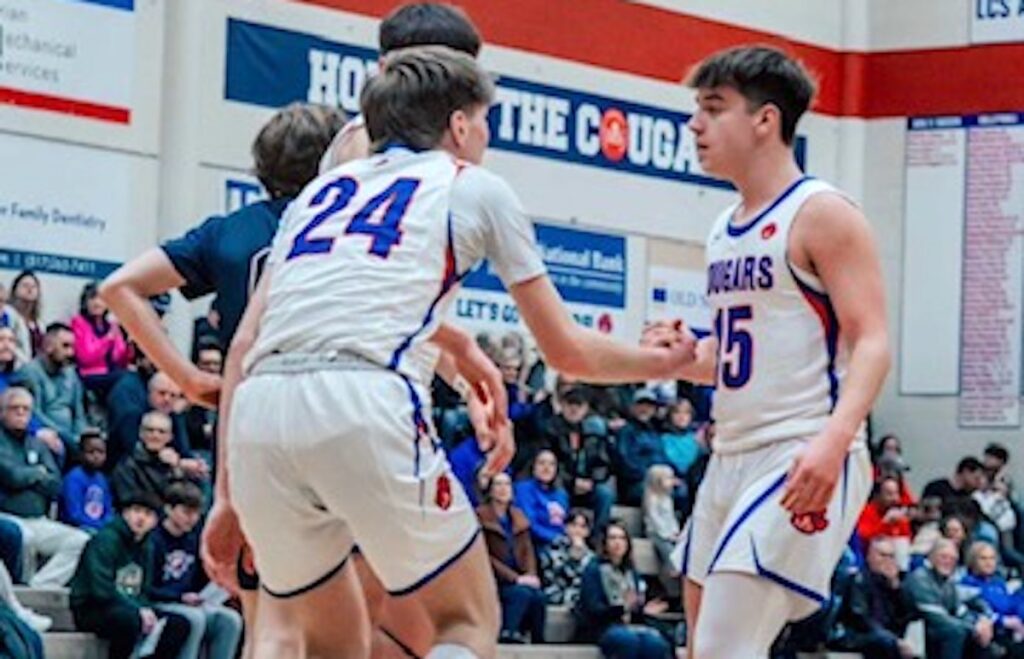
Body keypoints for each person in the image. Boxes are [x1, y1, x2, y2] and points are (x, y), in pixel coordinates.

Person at [209, 47, 695, 658]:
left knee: (328, 644)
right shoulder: (473, 187)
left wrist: (226, 491)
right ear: (460, 125)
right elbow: (567, 352)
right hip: (361, 397)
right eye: (484, 122)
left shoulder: (319, 194)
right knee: (465, 619)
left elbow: (264, 333)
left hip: (260, 411)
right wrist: (663, 363)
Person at [647, 45, 890, 659]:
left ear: (765, 120)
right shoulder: (723, 226)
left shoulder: (823, 213)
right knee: (705, 649)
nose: (694, 125)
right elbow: (735, 356)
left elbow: (873, 340)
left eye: (713, 108)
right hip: (730, 454)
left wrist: (833, 440)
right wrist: (685, 354)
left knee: (727, 646)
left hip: (800, 446)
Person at [70, 491, 191, 659]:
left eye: (148, 514)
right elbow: (101, 589)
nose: (141, 518)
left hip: (128, 605)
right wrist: (138, 609)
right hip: (92, 607)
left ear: (155, 521)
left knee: (179, 624)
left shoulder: (147, 546)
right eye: (136, 511)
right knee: (128, 621)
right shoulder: (106, 540)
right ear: (125, 513)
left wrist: (144, 608)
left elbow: (143, 589)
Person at [0, 387, 88, 587]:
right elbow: (11, 476)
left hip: (38, 518)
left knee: (79, 540)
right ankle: (18, 589)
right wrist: (38, 473)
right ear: (2, 411)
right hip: (6, 516)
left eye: (26, 409)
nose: (21, 413)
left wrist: (28, 476)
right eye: (15, 408)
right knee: (24, 537)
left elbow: (55, 485)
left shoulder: (37, 444)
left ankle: (39, 586)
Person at [148, 482, 242, 659]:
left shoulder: (194, 539)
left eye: (196, 513)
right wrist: (179, 597)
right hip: (163, 601)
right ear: (169, 509)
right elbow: (147, 587)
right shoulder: (153, 541)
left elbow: (200, 578)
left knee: (230, 620)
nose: (192, 519)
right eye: (187, 512)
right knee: (195, 619)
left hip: (190, 601)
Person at [576, 520, 672, 658]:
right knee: (627, 640)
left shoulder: (631, 572)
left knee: (655, 643)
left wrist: (643, 609)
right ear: (604, 542)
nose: (617, 542)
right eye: (612, 538)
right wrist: (622, 607)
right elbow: (593, 609)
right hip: (602, 626)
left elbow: (634, 608)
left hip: (629, 625)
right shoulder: (593, 569)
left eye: (622, 538)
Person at [476, 473, 546, 644]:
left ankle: (538, 639)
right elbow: (484, 556)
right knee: (520, 593)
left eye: (507, 484)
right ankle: (507, 632)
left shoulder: (519, 517)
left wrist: (530, 575)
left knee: (539, 596)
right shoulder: (480, 516)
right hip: (494, 579)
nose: (503, 489)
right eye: (498, 484)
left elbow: (528, 551)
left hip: (519, 576)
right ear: (490, 490)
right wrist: (515, 578)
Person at [904, 538, 996, 659]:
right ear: (931, 557)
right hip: (918, 631)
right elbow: (936, 617)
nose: (948, 562)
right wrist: (973, 628)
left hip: (941, 629)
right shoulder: (919, 578)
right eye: (943, 557)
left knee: (980, 633)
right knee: (955, 631)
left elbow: (960, 610)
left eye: (952, 559)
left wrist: (978, 623)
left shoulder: (947, 582)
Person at [827, 537, 917, 659]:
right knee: (885, 643)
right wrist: (893, 639)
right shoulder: (858, 579)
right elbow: (860, 617)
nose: (887, 560)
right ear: (869, 556)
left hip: (885, 634)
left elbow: (908, 616)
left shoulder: (896, 582)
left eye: (891, 556)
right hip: (853, 633)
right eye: (882, 555)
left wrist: (896, 588)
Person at [15, 322, 87, 460]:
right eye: (65, 346)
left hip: (72, 435)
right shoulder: (30, 373)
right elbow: (35, 413)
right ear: (48, 346)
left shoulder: (71, 373)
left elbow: (79, 412)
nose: (70, 353)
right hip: (47, 433)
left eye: (72, 347)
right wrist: (65, 435)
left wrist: (81, 436)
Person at [111, 411, 192, 506]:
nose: (155, 436)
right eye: (150, 430)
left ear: (170, 437)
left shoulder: (175, 465)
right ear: (141, 433)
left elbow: (185, 501)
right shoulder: (126, 466)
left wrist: (176, 469)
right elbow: (129, 500)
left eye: (162, 432)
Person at [960, 540, 1024, 656]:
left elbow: (1012, 604)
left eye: (992, 558)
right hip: (988, 633)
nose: (988, 563)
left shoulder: (998, 582)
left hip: (1010, 631)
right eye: (983, 558)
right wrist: (1003, 620)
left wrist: (1018, 618)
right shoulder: (967, 584)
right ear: (973, 561)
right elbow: (980, 610)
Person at [71, 281, 131, 402]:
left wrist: (129, 345)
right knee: (126, 379)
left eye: (101, 299)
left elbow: (120, 360)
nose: (97, 303)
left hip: (111, 373)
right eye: (92, 298)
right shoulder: (78, 323)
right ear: (85, 302)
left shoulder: (112, 325)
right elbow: (86, 357)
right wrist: (107, 340)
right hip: (89, 374)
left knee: (132, 379)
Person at [514, 449, 570, 552]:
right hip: (535, 545)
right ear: (533, 467)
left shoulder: (562, 494)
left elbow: (565, 523)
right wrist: (554, 538)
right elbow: (529, 523)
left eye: (551, 464)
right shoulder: (523, 489)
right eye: (542, 463)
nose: (546, 468)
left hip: (560, 543)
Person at [59, 430, 114, 533]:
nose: (96, 456)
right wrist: (98, 527)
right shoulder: (73, 478)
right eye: (91, 452)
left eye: (101, 452)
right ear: (81, 454)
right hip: (75, 529)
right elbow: (73, 514)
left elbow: (108, 510)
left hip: (98, 527)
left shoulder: (103, 479)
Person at [540, 508, 596, 607]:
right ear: (566, 527)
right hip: (555, 592)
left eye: (583, 527)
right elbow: (558, 578)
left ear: (588, 532)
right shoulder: (553, 548)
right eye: (573, 525)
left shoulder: (591, 556)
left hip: (580, 595)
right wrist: (574, 558)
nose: (577, 530)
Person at [8, 272, 42, 358]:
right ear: (15, 290)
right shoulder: (8, 315)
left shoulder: (39, 324)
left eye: (33, 286)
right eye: (25, 285)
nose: (29, 289)